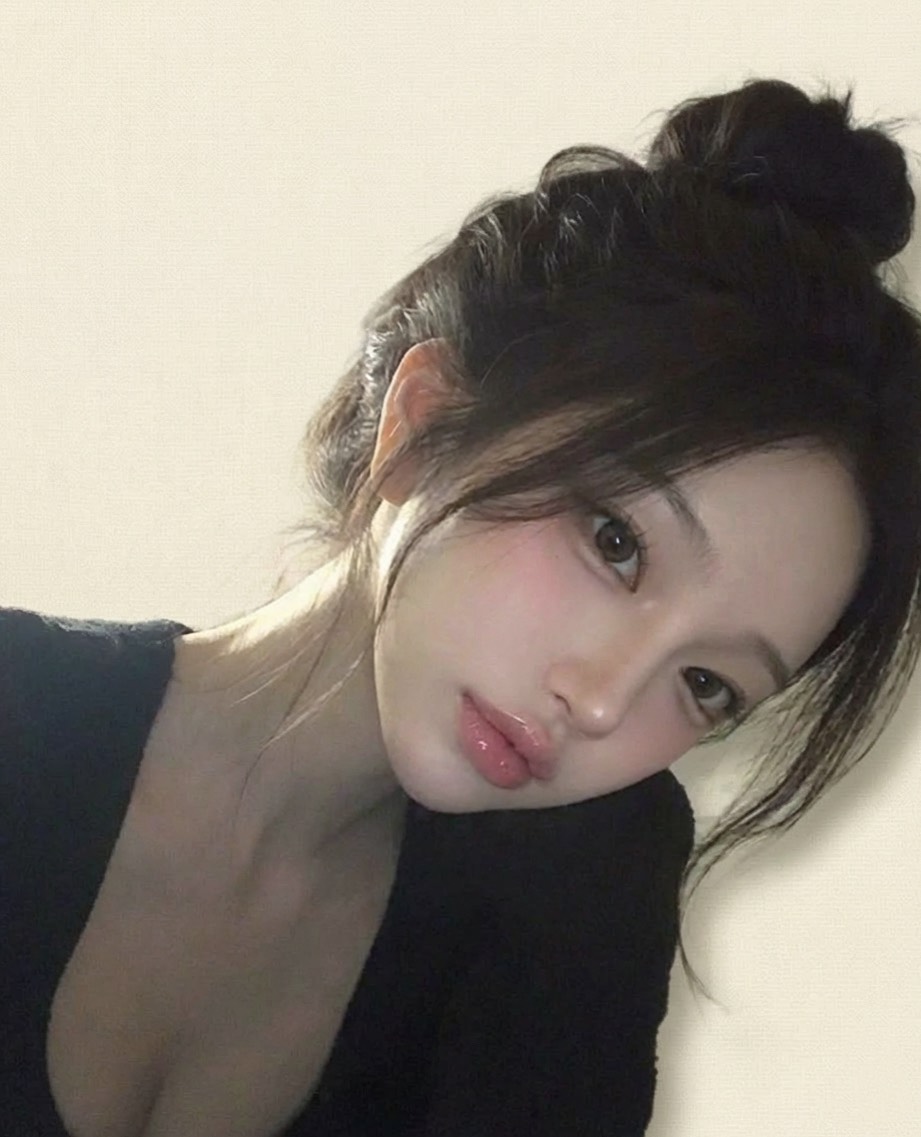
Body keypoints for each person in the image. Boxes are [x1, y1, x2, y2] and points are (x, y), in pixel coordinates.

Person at [2, 75, 920, 1137]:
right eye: (615, 544)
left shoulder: (576, 888)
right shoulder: (23, 715)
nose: (603, 702)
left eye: (708, 684)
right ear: (423, 424)